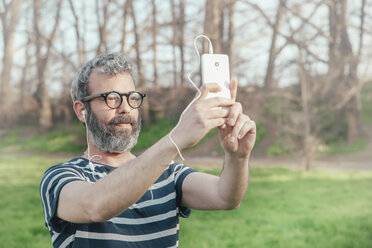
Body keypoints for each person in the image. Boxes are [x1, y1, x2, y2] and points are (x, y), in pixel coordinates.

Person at [40, 52, 256, 248]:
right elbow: (94, 206)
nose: (125, 108)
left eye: (131, 98)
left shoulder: (168, 173)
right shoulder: (60, 177)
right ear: (82, 111)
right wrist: (175, 138)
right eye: (111, 98)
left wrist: (237, 157)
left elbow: (225, 197)